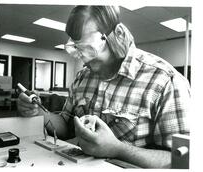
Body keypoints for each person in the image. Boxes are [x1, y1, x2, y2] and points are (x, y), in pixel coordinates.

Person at [17, 6, 190, 168]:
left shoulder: (165, 81)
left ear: (118, 35)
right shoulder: (83, 77)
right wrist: (37, 111)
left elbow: (183, 161)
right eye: (77, 49)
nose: (83, 60)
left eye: (89, 50)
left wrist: (117, 148)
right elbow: (64, 126)